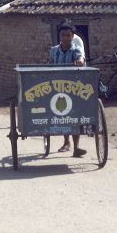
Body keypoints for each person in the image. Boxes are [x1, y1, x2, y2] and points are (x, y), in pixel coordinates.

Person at [49, 20, 86, 157]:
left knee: (74, 116)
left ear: (72, 36)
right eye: (63, 35)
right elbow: (49, 66)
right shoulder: (53, 51)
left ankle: (76, 147)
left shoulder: (76, 50)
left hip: (74, 89)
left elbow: (81, 56)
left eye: (68, 35)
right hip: (57, 88)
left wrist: (80, 61)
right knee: (62, 114)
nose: (65, 37)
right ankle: (66, 142)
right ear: (59, 36)